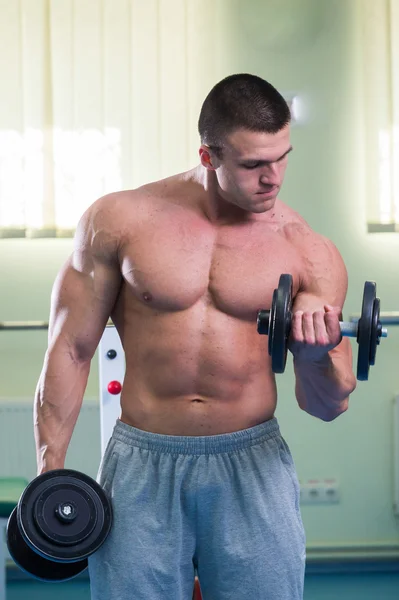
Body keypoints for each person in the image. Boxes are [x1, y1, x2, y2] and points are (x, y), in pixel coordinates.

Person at [33, 73, 357, 600]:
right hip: (142, 460)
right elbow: (71, 348)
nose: (273, 178)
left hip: (251, 463)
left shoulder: (307, 252)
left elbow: (327, 405)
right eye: (253, 164)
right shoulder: (118, 222)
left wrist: (317, 356)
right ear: (209, 157)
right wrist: (51, 473)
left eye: (282, 157)